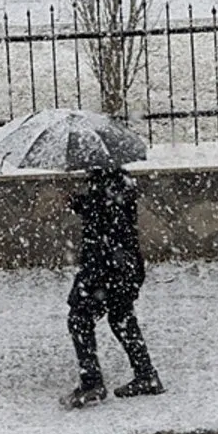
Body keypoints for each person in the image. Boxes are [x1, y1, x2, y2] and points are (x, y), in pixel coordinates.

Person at [64, 166, 164, 409]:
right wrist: (81, 203)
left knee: (79, 318)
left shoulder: (107, 187)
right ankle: (146, 375)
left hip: (106, 267)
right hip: (123, 266)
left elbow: (105, 223)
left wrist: (83, 204)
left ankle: (92, 384)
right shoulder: (117, 183)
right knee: (120, 316)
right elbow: (109, 216)